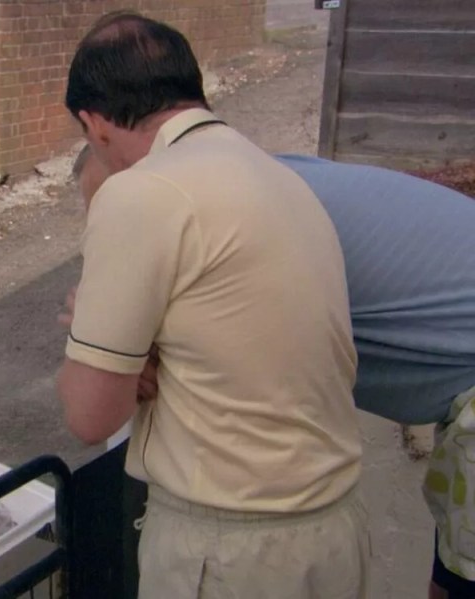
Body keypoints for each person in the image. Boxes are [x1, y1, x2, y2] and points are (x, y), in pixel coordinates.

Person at [57, 11, 369, 598]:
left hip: (232, 551)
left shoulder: (142, 192)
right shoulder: (278, 177)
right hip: (331, 530)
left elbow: (90, 416)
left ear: (94, 124)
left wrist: (104, 350)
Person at [74, 146, 475, 599]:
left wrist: (120, 338)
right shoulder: (257, 182)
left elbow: (125, 384)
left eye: (113, 214)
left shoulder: (232, 229)